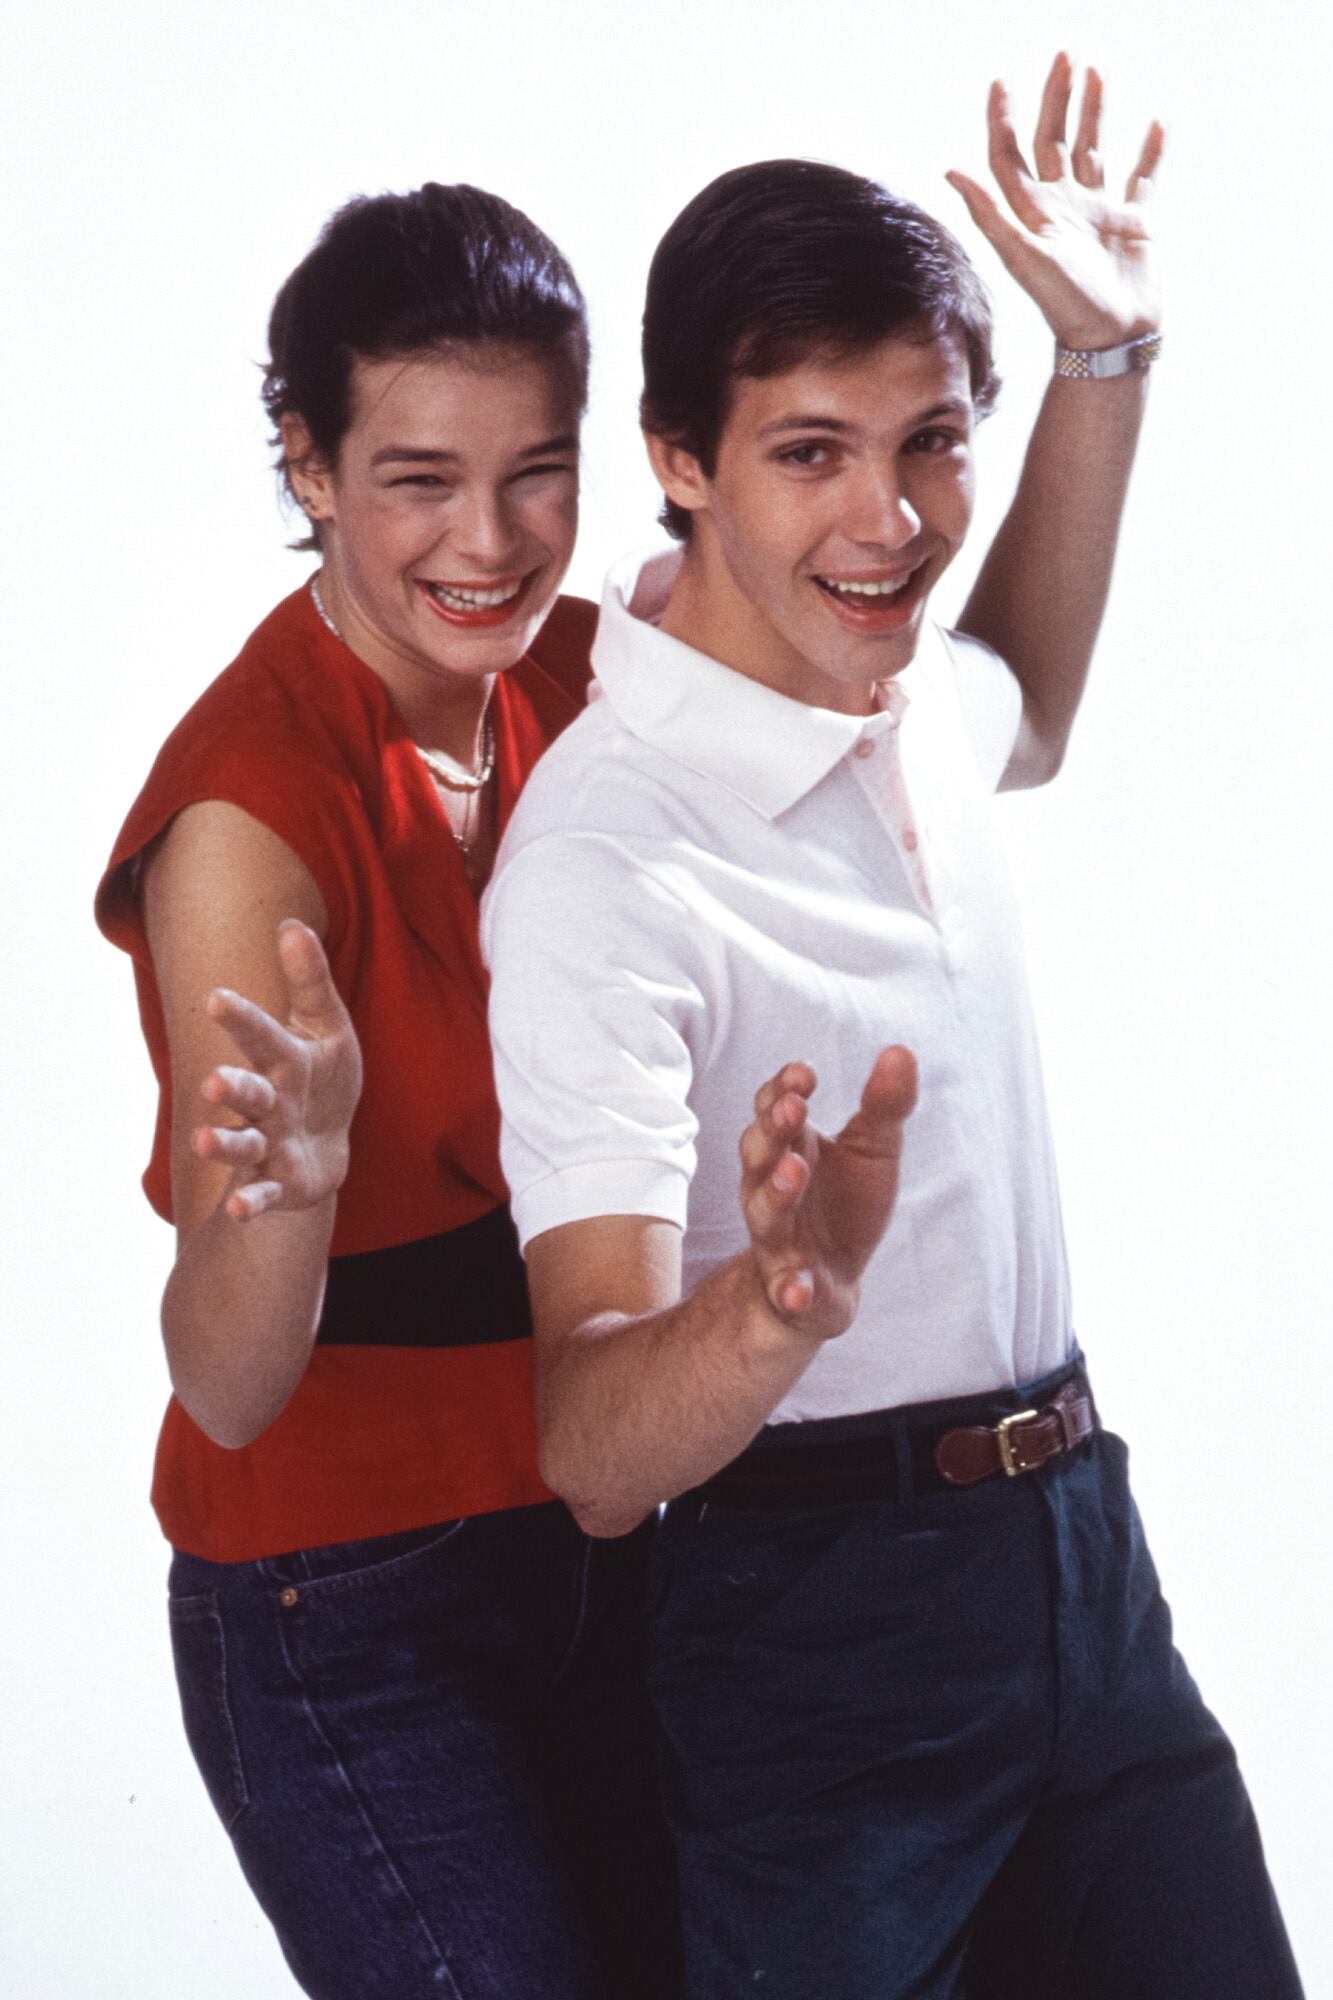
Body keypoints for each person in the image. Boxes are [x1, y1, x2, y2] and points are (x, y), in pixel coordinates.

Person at [478, 60, 1306, 2000]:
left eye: (930, 442)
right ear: (678, 453)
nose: (890, 520)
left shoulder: (904, 687)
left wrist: (1103, 363)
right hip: (814, 1632)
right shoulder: (606, 864)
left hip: (1083, 1575)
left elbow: (1030, 691)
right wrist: (767, 1304)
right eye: (810, 451)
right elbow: (595, 1445)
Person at [95, 182, 680, 2000]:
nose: (491, 541)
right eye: (419, 475)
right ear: (309, 465)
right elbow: (231, 1379)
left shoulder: (587, 680)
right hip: (341, 1597)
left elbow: (1001, 719)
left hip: (599, 1530)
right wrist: (289, 1185)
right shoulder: (246, 819)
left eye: (537, 471)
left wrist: (1098, 369)